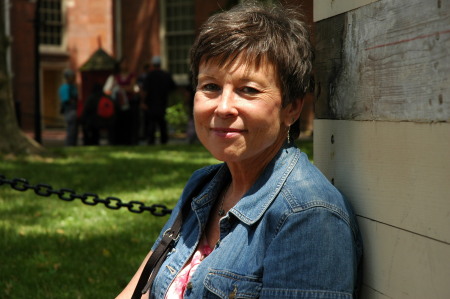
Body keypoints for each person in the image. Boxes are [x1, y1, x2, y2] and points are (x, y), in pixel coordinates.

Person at [117, 2, 362, 299]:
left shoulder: (308, 216)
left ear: (291, 108)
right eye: (210, 86)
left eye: (249, 90)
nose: (223, 107)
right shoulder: (203, 186)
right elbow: (138, 291)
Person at [142, 56, 176, 145]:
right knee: (162, 123)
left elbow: (145, 90)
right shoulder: (166, 75)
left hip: (151, 103)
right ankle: (164, 140)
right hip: (162, 102)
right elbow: (173, 88)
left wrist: (143, 102)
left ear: (153, 65)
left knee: (151, 123)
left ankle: (151, 141)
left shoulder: (149, 76)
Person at [58, 68, 79, 146]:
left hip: (74, 110)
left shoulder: (73, 86)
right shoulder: (65, 87)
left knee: (74, 130)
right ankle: (69, 145)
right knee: (71, 130)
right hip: (69, 110)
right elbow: (66, 100)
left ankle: (73, 144)